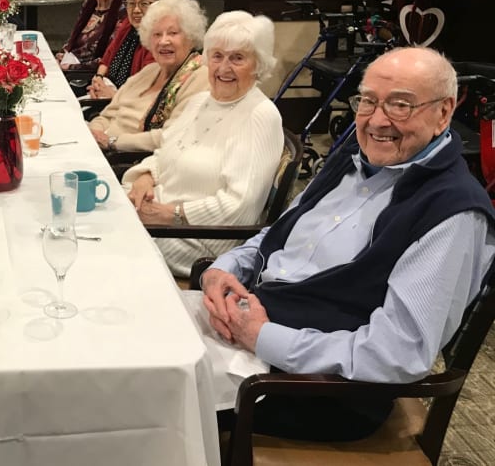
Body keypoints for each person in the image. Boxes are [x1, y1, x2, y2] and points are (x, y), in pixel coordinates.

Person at [200, 47, 495, 442]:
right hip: (252, 328)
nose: (376, 120)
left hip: (320, 391)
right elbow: (277, 238)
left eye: (400, 105)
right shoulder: (353, 158)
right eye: (368, 101)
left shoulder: (451, 211)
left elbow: (399, 354)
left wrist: (264, 337)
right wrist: (227, 268)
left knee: (153, 391)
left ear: (444, 113)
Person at [125, 11, 284, 277]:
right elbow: (165, 151)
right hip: (159, 217)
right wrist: (144, 178)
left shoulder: (260, 116)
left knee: (105, 242)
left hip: (202, 240)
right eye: (217, 55)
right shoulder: (201, 101)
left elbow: (241, 208)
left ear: (258, 64)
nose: (223, 68)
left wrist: (170, 214)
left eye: (237, 58)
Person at [88, 0, 209, 152]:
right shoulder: (149, 71)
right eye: (157, 35)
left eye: (173, 33)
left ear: (191, 38)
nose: (164, 41)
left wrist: (113, 142)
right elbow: (107, 115)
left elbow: (171, 135)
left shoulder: (200, 77)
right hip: (100, 148)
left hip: (127, 160)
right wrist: (95, 132)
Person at [87, 0, 168, 99]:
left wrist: (113, 96)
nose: (136, 10)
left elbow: (145, 95)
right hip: (107, 93)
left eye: (144, 4)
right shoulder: (127, 25)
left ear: (160, 6)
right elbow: (107, 58)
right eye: (131, 3)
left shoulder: (158, 43)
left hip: (126, 106)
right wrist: (99, 79)